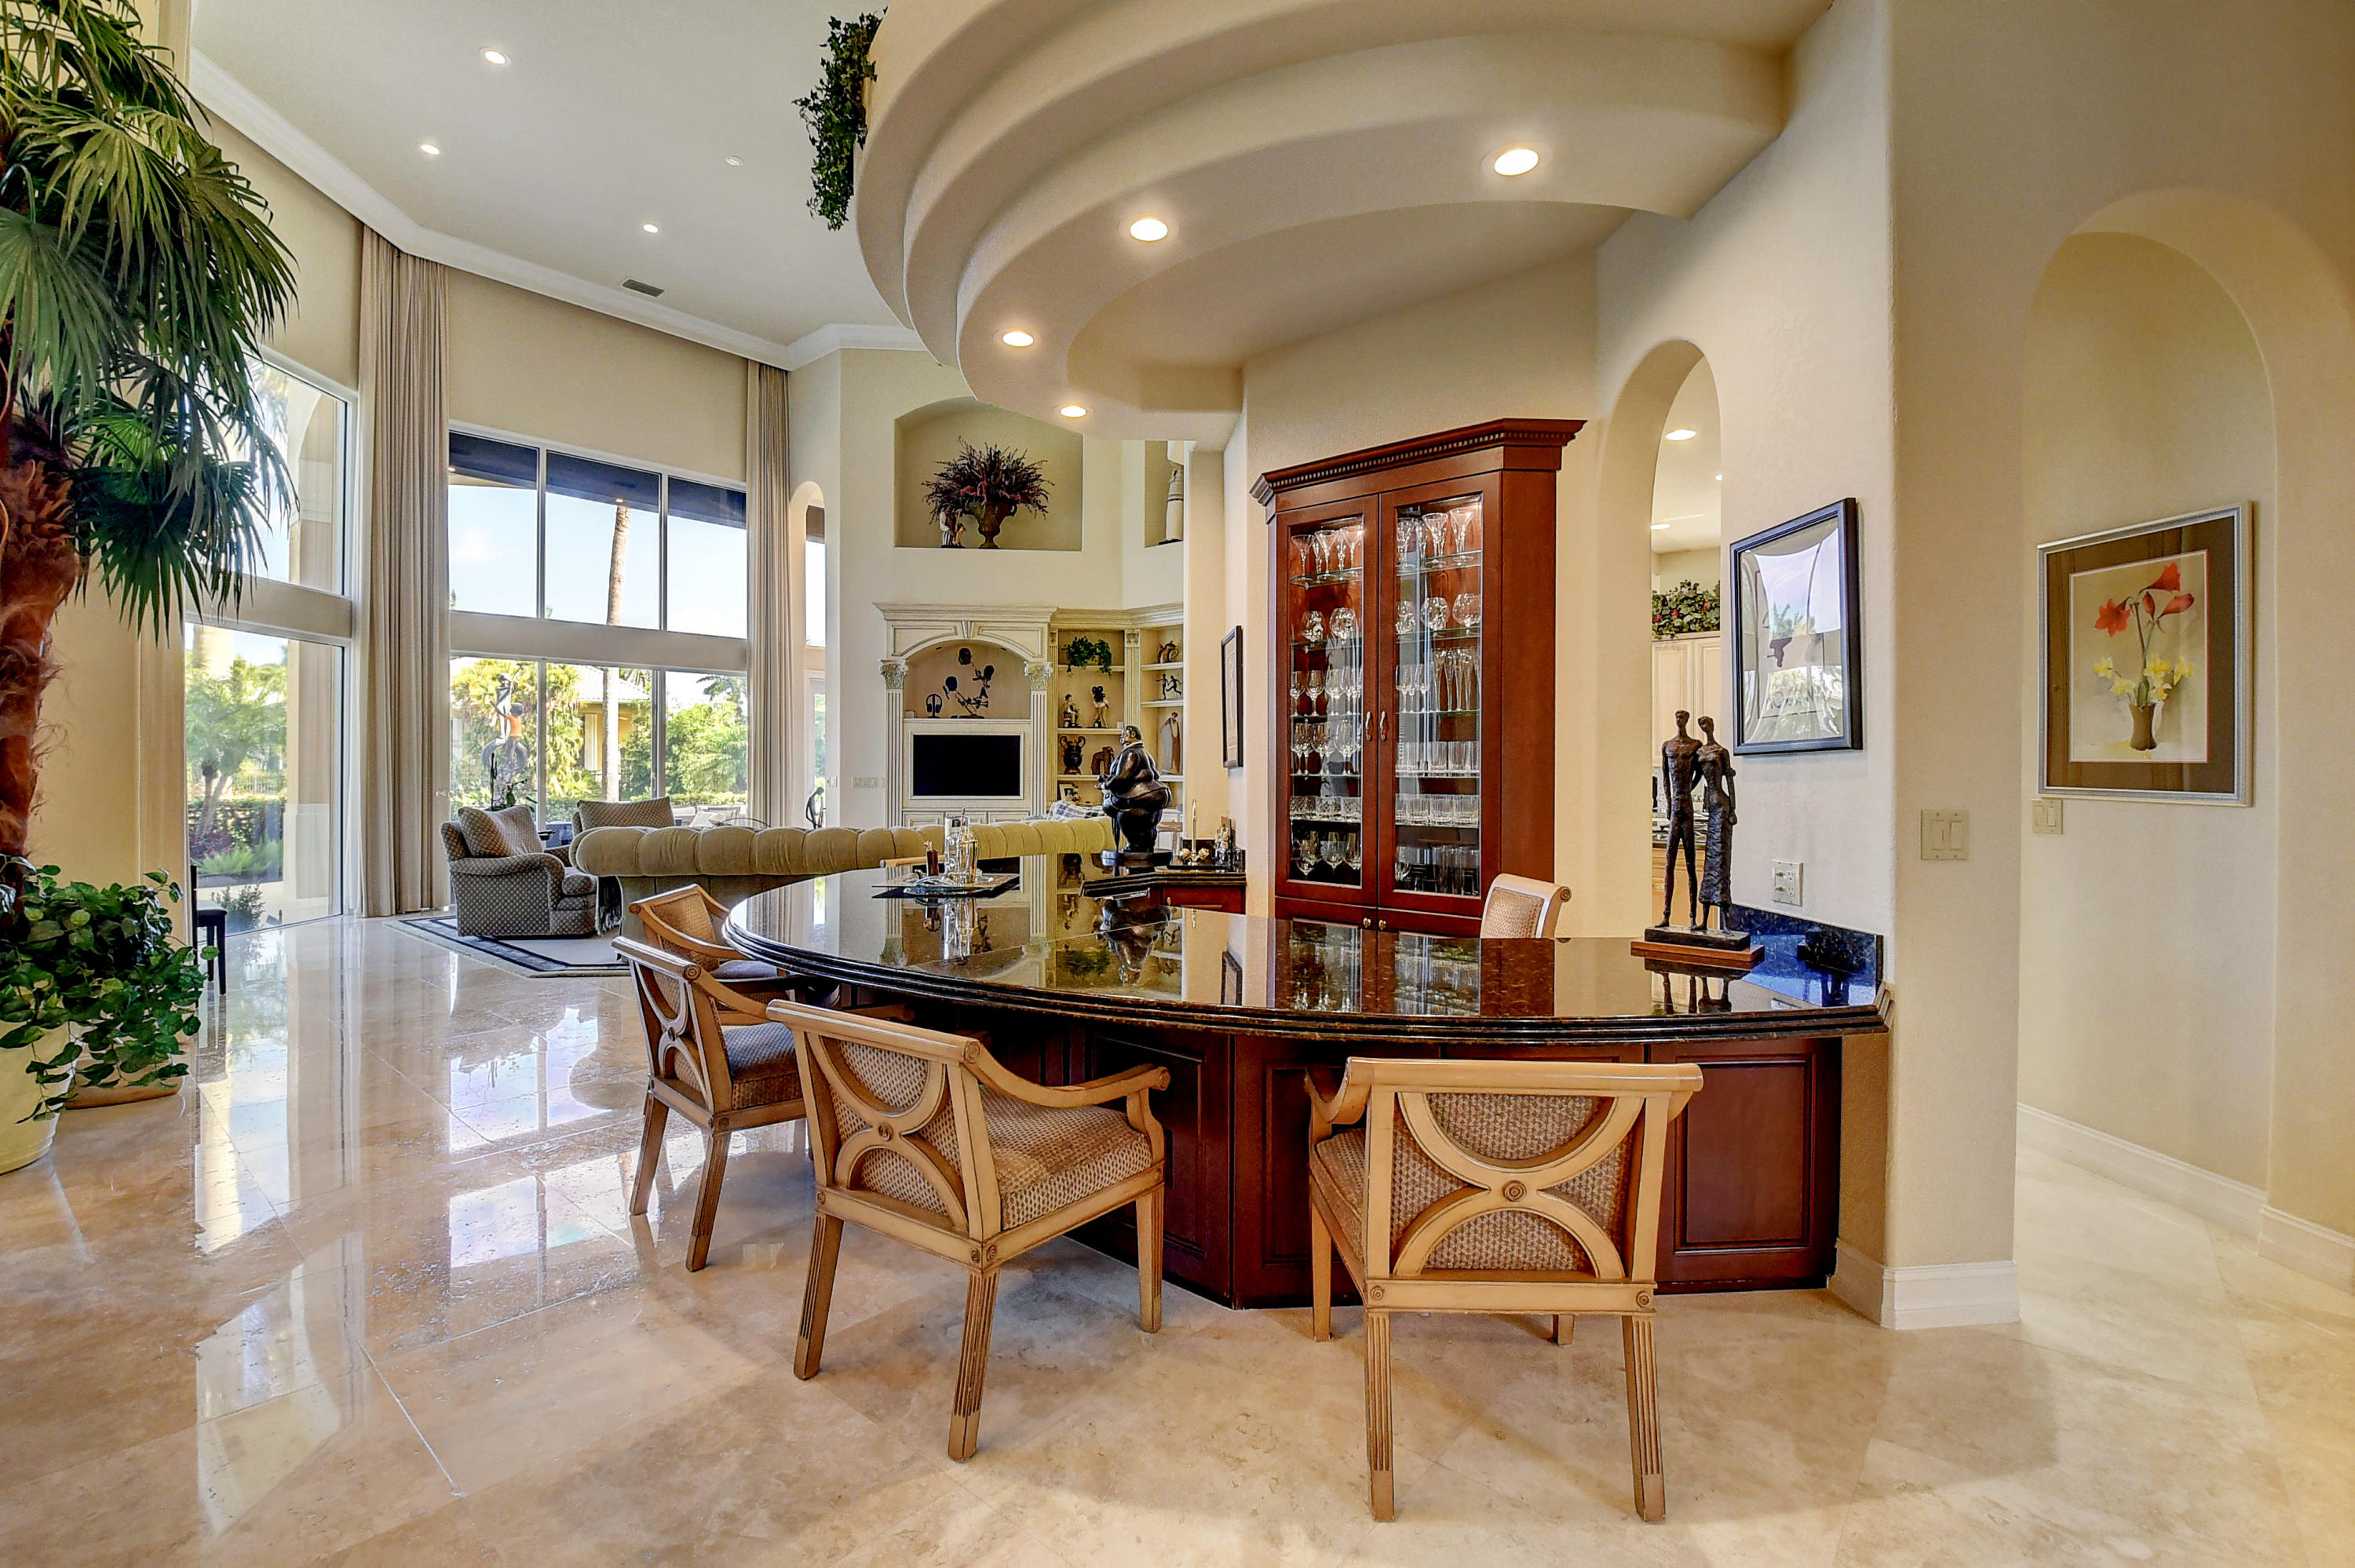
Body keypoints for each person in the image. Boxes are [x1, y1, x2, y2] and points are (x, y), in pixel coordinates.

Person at [1658, 709, 1701, 928]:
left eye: (1683, 718)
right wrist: (1669, 801)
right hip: (1675, 807)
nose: (1679, 720)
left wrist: (1688, 791)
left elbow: (1700, 773)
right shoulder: (1668, 746)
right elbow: (1664, 778)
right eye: (1677, 717)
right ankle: (1666, 915)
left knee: (1691, 864)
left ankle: (1693, 918)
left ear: (1687, 720)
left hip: (1688, 807)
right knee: (1669, 862)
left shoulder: (1695, 745)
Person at [1695, 716, 1737, 931]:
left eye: (1708, 724)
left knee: (1721, 859)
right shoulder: (1700, 753)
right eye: (1702, 725)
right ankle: (1704, 919)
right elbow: (1693, 779)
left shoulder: (1721, 752)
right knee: (1709, 862)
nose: (1705, 728)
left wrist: (1734, 810)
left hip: (1721, 804)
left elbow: (1729, 780)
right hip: (1709, 807)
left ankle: (1724, 922)